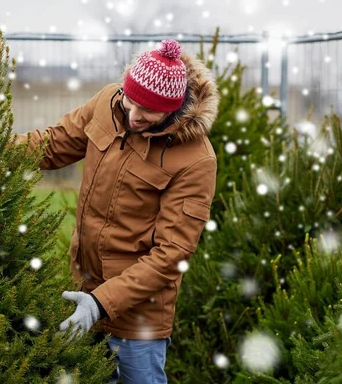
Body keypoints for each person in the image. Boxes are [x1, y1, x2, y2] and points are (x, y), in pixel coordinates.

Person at [15, 39, 219, 383]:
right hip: (82, 292)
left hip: (139, 319)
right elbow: (51, 144)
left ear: (173, 109)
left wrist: (100, 304)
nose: (134, 115)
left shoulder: (196, 160)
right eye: (130, 100)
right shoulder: (108, 103)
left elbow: (171, 254)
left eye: (149, 111)